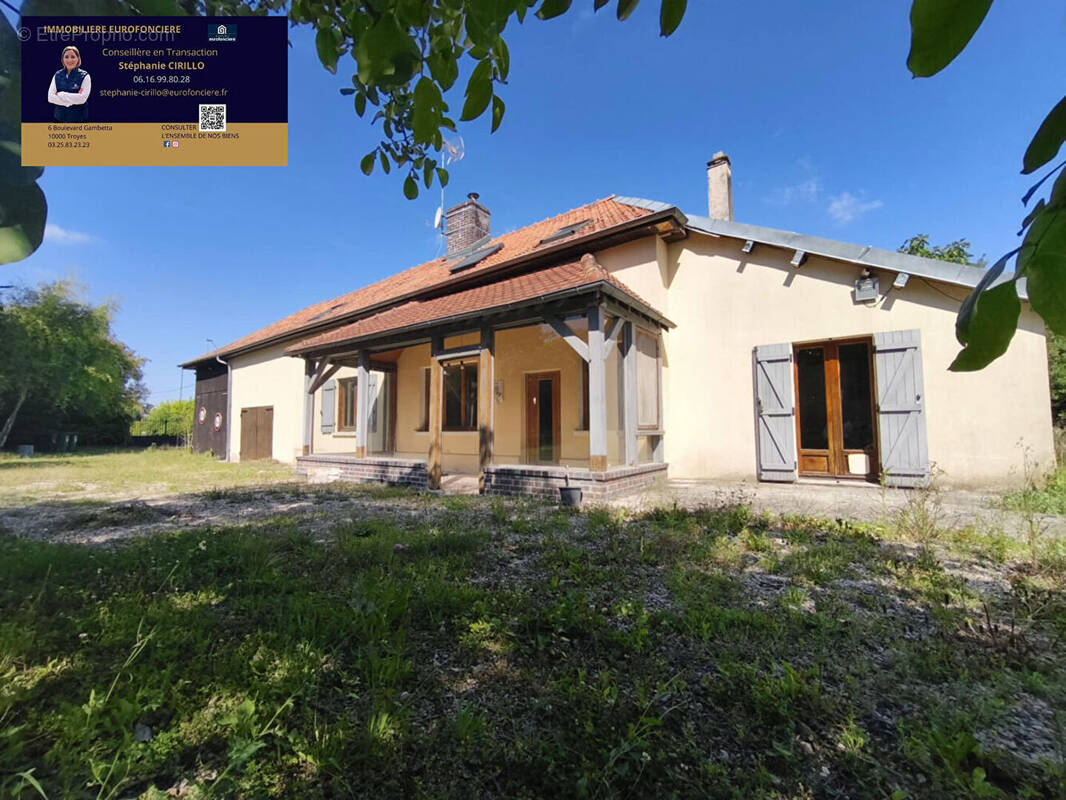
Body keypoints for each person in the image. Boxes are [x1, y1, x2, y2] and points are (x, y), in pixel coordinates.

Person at [48, 46, 91, 123]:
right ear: (62, 59)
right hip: (59, 120)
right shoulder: (57, 75)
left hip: (79, 121)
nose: (69, 60)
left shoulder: (85, 76)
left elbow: (82, 99)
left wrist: (60, 94)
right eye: (66, 57)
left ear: (78, 58)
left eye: (73, 57)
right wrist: (73, 99)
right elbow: (50, 98)